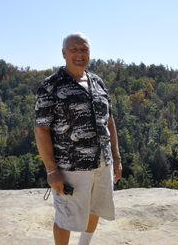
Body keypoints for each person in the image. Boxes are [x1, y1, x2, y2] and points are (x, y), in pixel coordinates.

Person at [34, 32, 122, 245]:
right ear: (64, 53)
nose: (79, 54)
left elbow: (109, 122)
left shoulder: (98, 83)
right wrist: (52, 170)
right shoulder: (51, 86)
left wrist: (117, 158)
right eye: (74, 49)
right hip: (70, 166)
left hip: (102, 162)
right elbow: (41, 129)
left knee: (95, 207)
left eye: (84, 49)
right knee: (65, 216)